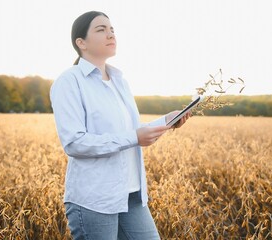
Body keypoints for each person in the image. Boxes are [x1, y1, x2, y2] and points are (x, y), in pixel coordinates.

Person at [50, 11, 191, 240]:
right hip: (94, 200)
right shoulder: (69, 81)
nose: (110, 34)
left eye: (112, 29)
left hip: (132, 195)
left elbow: (131, 131)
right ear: (81, 42)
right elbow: (75, 143)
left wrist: (166, 122)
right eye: (101, 29)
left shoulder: (119, 81)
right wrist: (135, 137)